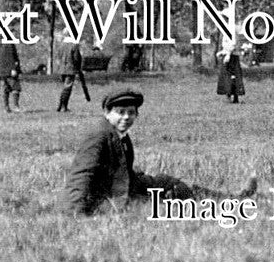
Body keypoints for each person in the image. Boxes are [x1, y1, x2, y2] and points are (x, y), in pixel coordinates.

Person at [65, 88, 257, 216]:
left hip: (125, 185)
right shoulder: (98, 136)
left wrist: (150, 181)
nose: (126, 117)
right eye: (120, 112)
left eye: (131, 113)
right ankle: (223, 201)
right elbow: (82, 174)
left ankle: (230, 197)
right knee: (162, 204)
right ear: (107, 113)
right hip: (107, 199)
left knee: (170, 183)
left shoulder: (120, 135)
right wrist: (75, 213)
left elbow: (124, 171)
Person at [215, 33, 245, 104]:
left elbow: (233, 44)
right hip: (228, 55)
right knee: (227, 77)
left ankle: (235, 97)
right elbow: (226, 45)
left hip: (233, 56)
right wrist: (222, 52)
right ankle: (228, 95)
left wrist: (228, 54)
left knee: (233, 76)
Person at [57, 41, 84, 112]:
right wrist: (78, 68)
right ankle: (63, 106)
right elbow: (77, 58)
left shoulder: (61, 45)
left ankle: (60, 106)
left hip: (62, 69)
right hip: (70, 69)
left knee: (65, 88)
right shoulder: (74, 46)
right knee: (67, 88)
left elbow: (58, 57)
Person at [0, 42, 22, 113]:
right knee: (15, 87)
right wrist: (13, 68)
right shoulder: (9, 44)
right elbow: (10, 57)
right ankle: (16, 106)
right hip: (9, 71)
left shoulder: (0, 43)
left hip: (2, 71)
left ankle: (6, 107)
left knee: (6, 88)